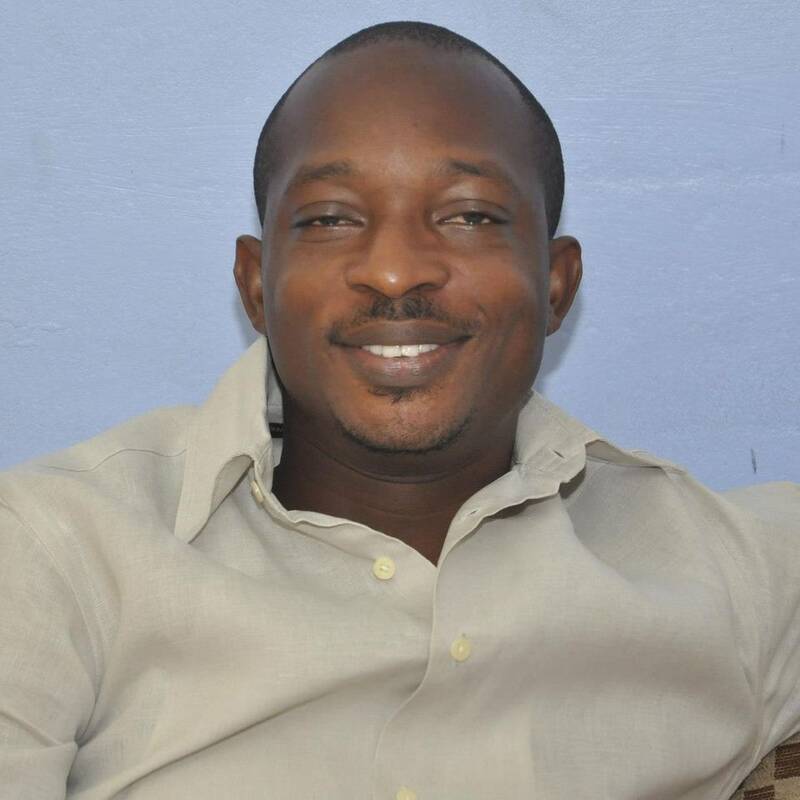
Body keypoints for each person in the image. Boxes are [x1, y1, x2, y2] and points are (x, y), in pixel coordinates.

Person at [1, 19, 798, 800]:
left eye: (469, 216)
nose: (393, 272)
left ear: (556, 284)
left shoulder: (734, 578)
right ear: (256, 286)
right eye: (330, 219)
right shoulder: (58, 557)